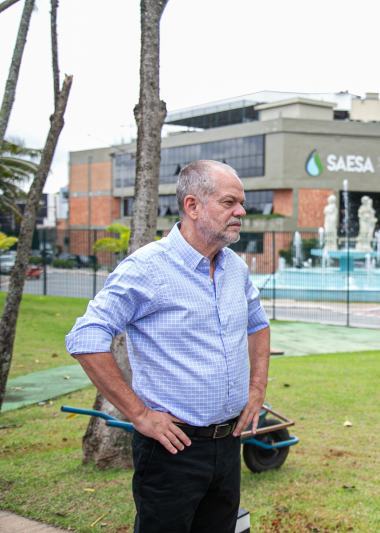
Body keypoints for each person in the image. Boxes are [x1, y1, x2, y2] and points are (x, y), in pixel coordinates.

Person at [66, 160, 271, 533]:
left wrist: (257, 388)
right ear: (192, 206)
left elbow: (258, 324)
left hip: (227, 445)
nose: (241, 212)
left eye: (241, 203)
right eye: (229, 202)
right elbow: (86, 337)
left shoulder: (234, 268)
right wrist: (139, 414)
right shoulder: (146, 269)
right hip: (170, 450)